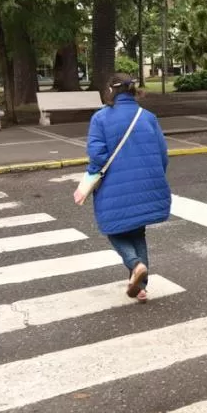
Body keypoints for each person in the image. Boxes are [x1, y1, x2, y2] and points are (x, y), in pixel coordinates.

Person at [75, 73, 170, 302]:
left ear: (111, 91)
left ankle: (135, 264)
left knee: (113, 228)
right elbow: (162, 154)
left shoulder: (100, 118)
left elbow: (97, 155)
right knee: (138, 231)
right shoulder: (147, 117)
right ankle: (141, 287)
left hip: (114, 184)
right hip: (147, 183)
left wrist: (90, 177)